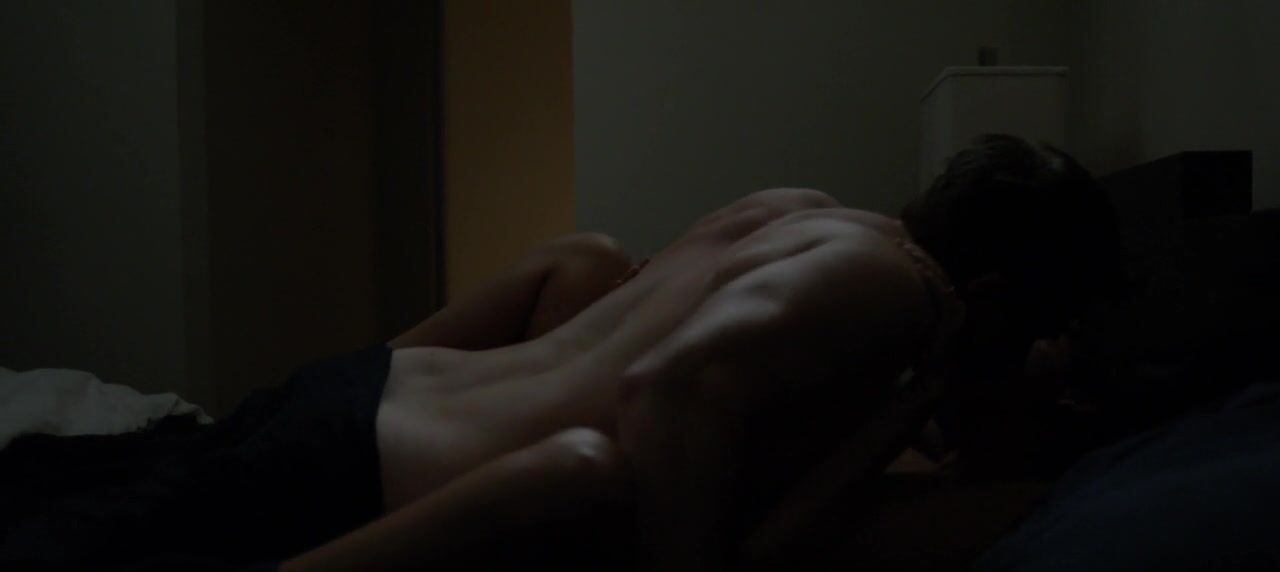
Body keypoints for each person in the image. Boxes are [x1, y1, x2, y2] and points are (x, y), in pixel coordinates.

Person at [0, 135, 1123, 571]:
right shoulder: (904, 292)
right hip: (373, 471)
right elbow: (670, 385)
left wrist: (912, 405)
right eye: (1038, 324)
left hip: (365, 394)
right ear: (992, 289)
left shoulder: (803, 211)